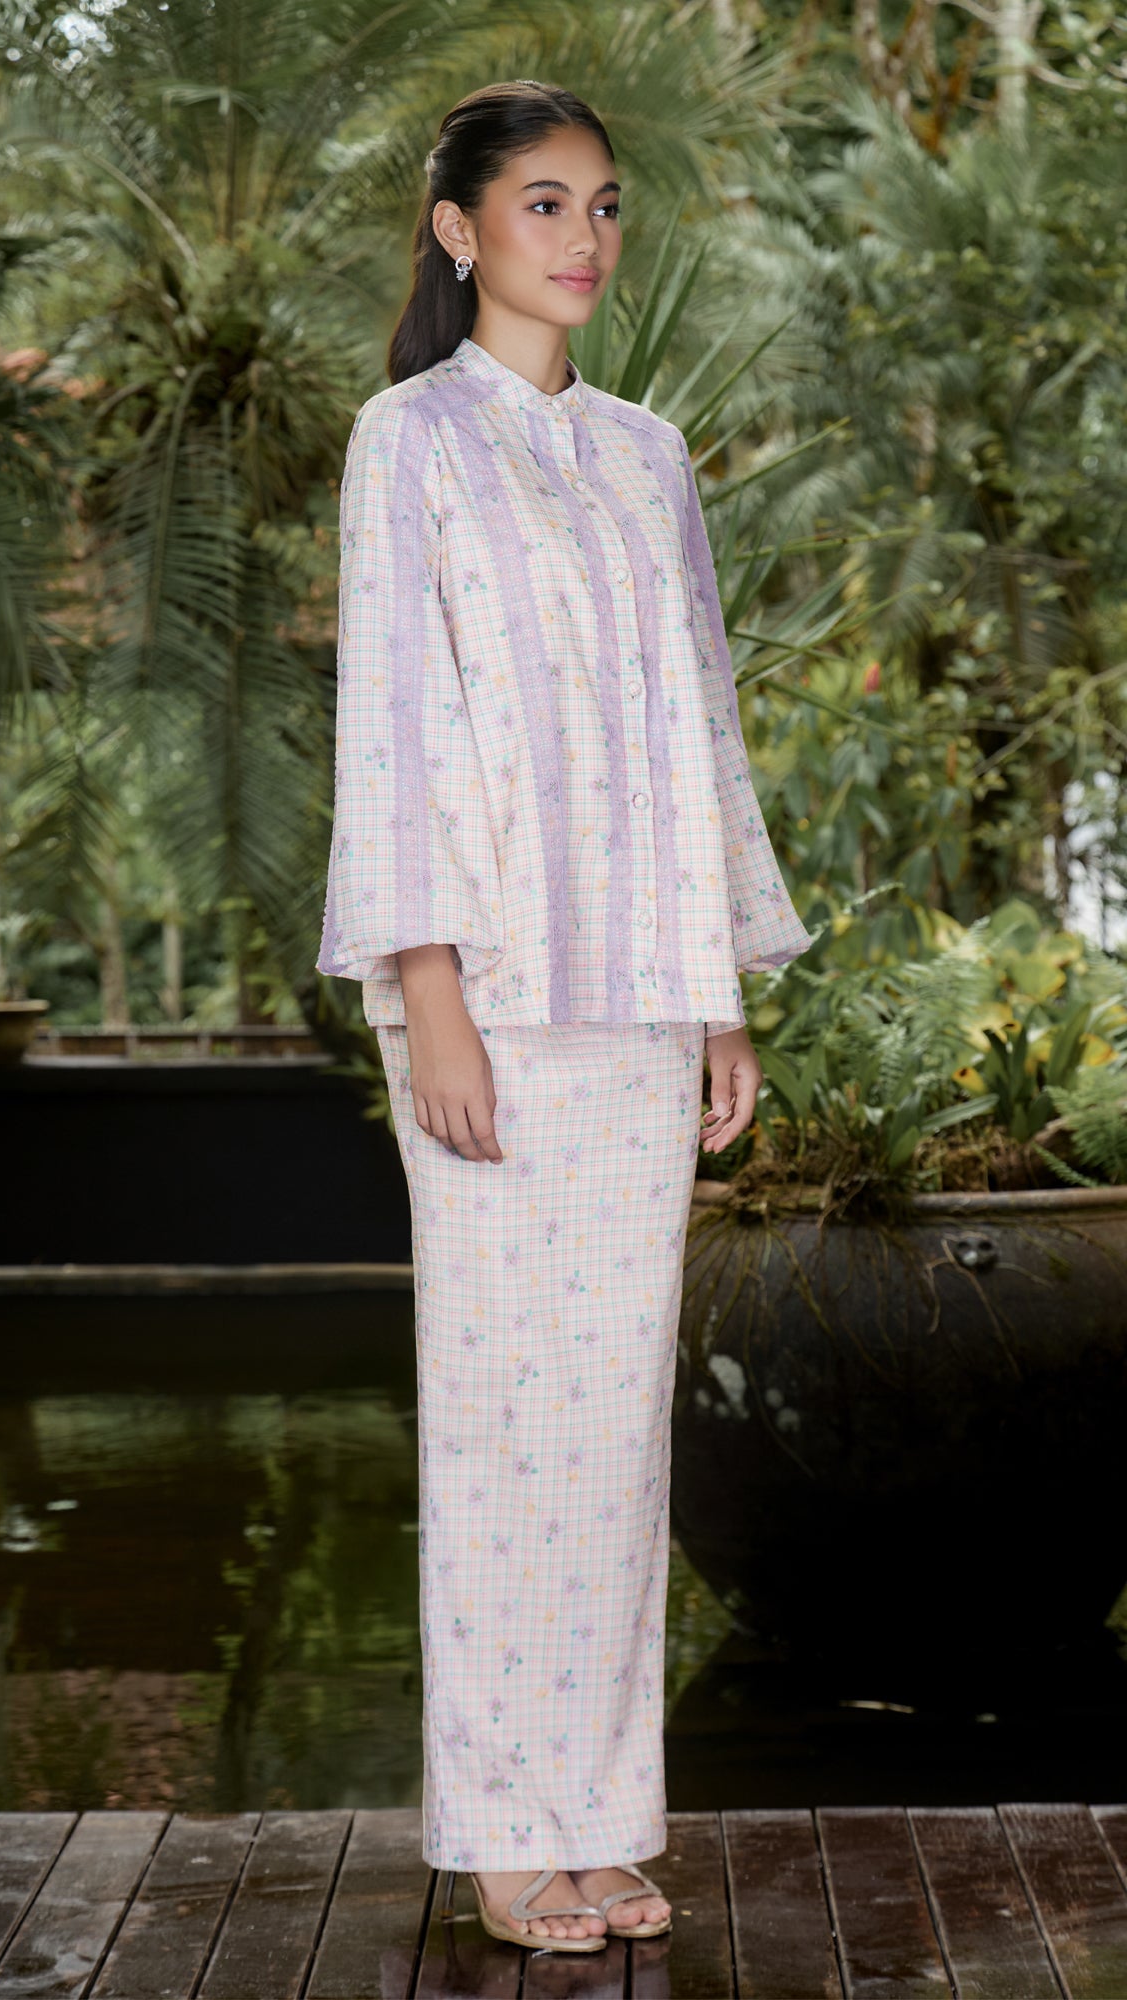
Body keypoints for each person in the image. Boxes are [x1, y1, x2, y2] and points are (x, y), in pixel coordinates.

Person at [317, 78, 813, 1953]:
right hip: (493, 1004)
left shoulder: (647, 455)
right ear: (460, 230)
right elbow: (395, 726)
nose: (584, 237)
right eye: (544, 203)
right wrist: (429, 995)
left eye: (602, 204)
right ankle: (502, 1837)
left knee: (610, 1437)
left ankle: (597, 1821)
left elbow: (700, 731)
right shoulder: (410, 441)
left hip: (638, 1005)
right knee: (502, 1418)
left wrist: (718, 999)